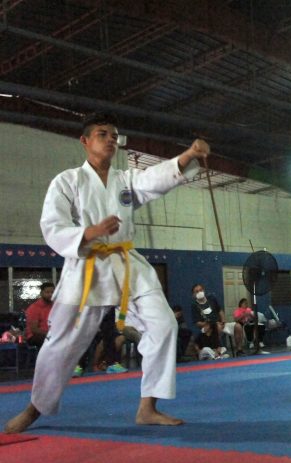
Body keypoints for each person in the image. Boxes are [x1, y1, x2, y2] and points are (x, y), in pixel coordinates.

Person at [4, 112, 208, 434]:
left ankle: (148, 407)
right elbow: (52, 225)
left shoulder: (125, 180)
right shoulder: (67, 181)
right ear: (85, 141)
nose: (111, 139)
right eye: (103, 134)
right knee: (62, 343)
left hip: (126, 264)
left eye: (114, 135)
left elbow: (155, 179)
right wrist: (90, 232)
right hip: (87, 266)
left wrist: (188, 156)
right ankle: (34, 408)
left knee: (165, 325)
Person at [190, 284, 239, 358]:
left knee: (238, 327)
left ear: (204, 290)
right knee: (216, 327)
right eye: (196, 291)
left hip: (221, 323)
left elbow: (220, 311)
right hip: (208, 326)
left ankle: (239, 350)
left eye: (200, 290)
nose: (199, 292)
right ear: (194, 295)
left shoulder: (211, 299)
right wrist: (207, 324)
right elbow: (197, 322)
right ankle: (216, 351)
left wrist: (223, 321)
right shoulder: (194, 305)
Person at [24, 282, 55, 348]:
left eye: (52, 292)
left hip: (51, 334)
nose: (50, 294)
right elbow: (34, 330)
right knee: (52, 341)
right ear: (41, 293)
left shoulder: (54, 306)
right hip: (34, 337)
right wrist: (50, 334)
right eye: (47, 292)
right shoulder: (34, 308)